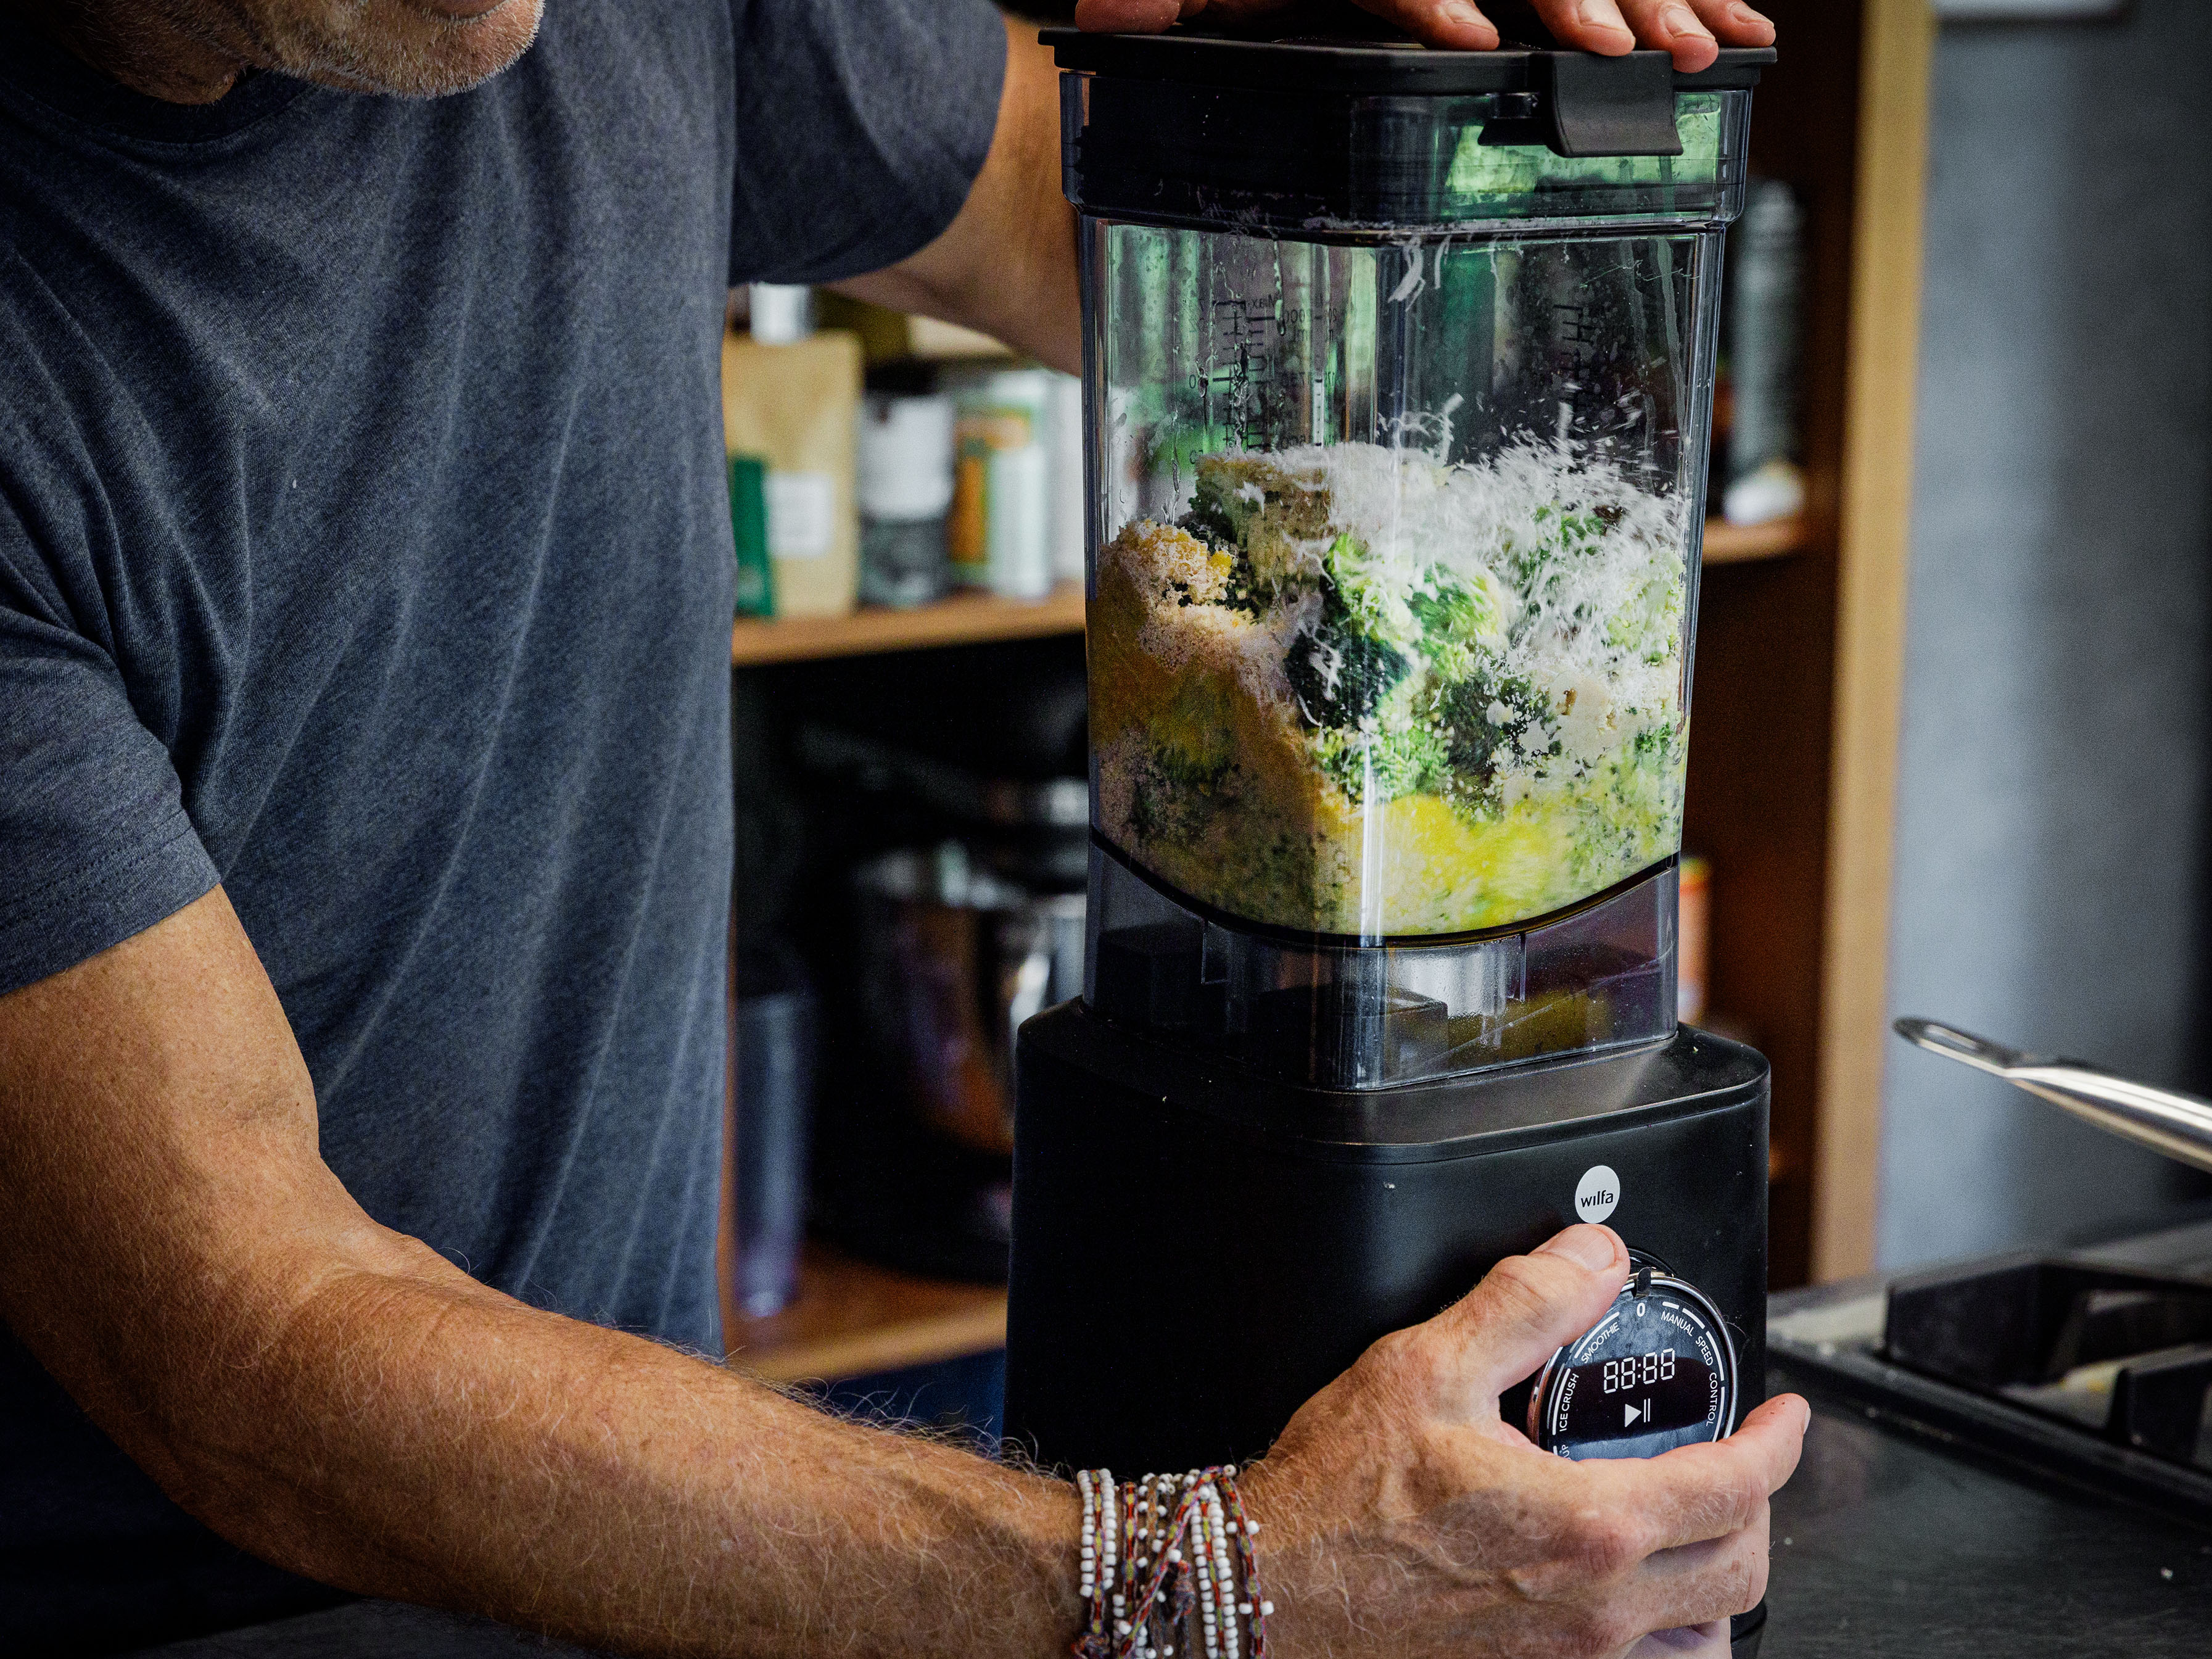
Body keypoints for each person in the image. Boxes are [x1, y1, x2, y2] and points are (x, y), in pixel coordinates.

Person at [0, 0, 1802, 1652]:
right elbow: (246, 1338)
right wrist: (1199, 1583)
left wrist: (1387, 97)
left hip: (645, 1584)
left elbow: (1077, 206)